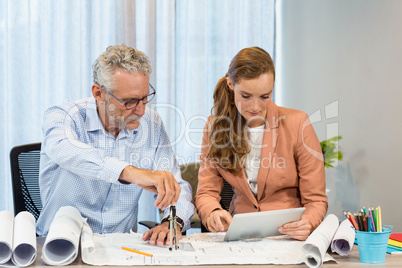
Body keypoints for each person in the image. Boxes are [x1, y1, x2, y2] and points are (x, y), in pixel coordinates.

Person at [36, 44, 194, 246]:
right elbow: (64, 149)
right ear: (98, 93)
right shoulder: (64, 115)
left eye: (145, 99)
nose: (141, 111)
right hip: (62, 246)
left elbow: (176, 186)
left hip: (122, 248)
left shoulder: (152, 124)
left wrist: (172, 222)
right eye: (129, 102)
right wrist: (131, 173)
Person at [195, 47, 327, 241]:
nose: (255, 107)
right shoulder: (215, 127)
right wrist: (213, 212)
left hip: (288, 235)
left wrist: (308, 222)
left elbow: (316, 200)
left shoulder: (298, 123)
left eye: (265, 96)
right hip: (241, 236)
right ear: (231, 85)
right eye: (246, 96)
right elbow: (206, 192)